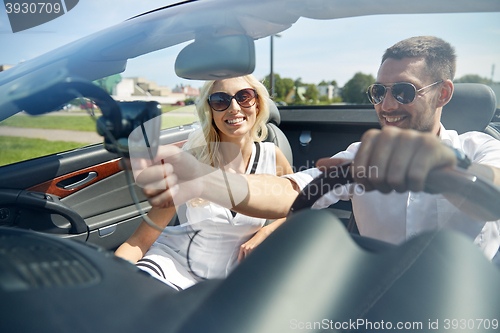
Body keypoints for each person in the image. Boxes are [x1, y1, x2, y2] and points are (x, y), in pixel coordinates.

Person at [136, 36, 500, 264]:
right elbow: (290, 191)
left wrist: (445, 172)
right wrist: (203, 180)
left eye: (403, 92)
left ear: (444, 93)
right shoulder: (358, 159)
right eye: (378, 92)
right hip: (379, 298)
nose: (387, 105)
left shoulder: (480, 148)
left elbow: (493, 190)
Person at [115, 74, 293, 290]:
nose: (234, 108)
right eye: (220, 100)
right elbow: (139, 241)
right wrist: (110, 279)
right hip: (173, 268)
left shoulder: (272, 156)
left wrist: (266, 231)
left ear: (258, 104)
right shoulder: (190, 163)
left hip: (231, 283)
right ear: (210, 112)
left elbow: (297, 207)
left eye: (244, 97)